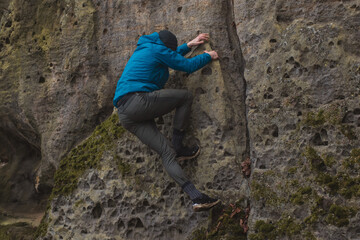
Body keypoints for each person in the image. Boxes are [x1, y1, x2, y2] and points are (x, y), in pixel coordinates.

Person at [113, 30, 220, 211]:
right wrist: (208, 56)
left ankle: (196, 198)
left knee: (166, 153)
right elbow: (185, 66)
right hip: (138, 101)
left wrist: (189, 45)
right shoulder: (158, 51)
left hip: (125, 114)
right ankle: (178, 145)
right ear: (165, 48)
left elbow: (170, 57)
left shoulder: (148, 48)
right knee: (185, 97)